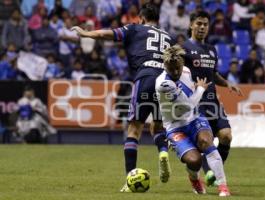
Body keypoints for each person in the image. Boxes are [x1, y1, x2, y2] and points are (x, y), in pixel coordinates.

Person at [71, 3, 172, 191]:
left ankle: (129, 179)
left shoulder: (134, 28)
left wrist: (85, 33)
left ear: (141, 18)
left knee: (135, 129)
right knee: (158, 125)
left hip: (145, 77)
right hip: (165, 82)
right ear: (157, 20)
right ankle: (163, 152)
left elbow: (105, 34)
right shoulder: (168, 36)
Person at [155, 45, 230, 196]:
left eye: (178, 68)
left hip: (195, 118)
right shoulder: (164, 83)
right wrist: (201, 89)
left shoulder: (187, 71)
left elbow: (189, 97)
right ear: (165, 66)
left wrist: (194, 88)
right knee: (194, 160)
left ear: (182, 64)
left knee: (206, 142)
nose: (176, 72)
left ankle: (223, 187)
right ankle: (194, 178)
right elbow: (188, 105)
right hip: (175, 126)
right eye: (172, 69)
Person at [181, 11, 242, 186]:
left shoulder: (212, 50)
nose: (202, 27)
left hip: (212, 102)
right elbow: (175, 72)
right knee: (203, 142)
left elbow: (213, 74)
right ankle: (205, 174)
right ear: (191, 25)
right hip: (195, 103)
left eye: (205, 24)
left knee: (226, 136)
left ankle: (212, 172)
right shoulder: (183, 49)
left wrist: (228, 83)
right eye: (199, 23)